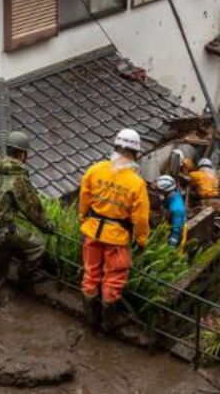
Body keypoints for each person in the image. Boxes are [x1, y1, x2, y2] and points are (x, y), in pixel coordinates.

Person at [79, 128, 150, 329]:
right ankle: (107, 323)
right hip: (116, 239)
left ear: (115, 147)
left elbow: (84, 198)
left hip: (92, 231)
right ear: (135, 153)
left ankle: (90, 319)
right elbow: (141, 219)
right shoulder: (136, 183)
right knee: (114, 280)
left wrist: (82, 218)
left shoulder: (96, 170)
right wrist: (142, 240)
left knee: (90, 274)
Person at [0, 131, 54, 308]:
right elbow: (32, 209)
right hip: (1, 232)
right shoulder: (17, 178)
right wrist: (47, 226)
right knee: (37, 245)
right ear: (23, 154)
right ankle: (24, 277)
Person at [155, 175, 186, 249]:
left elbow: (176, 231)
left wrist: (170, 248)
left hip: (176, 225)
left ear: (164, 192)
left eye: (159, 191)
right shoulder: (173, 192)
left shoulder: (176, 209)